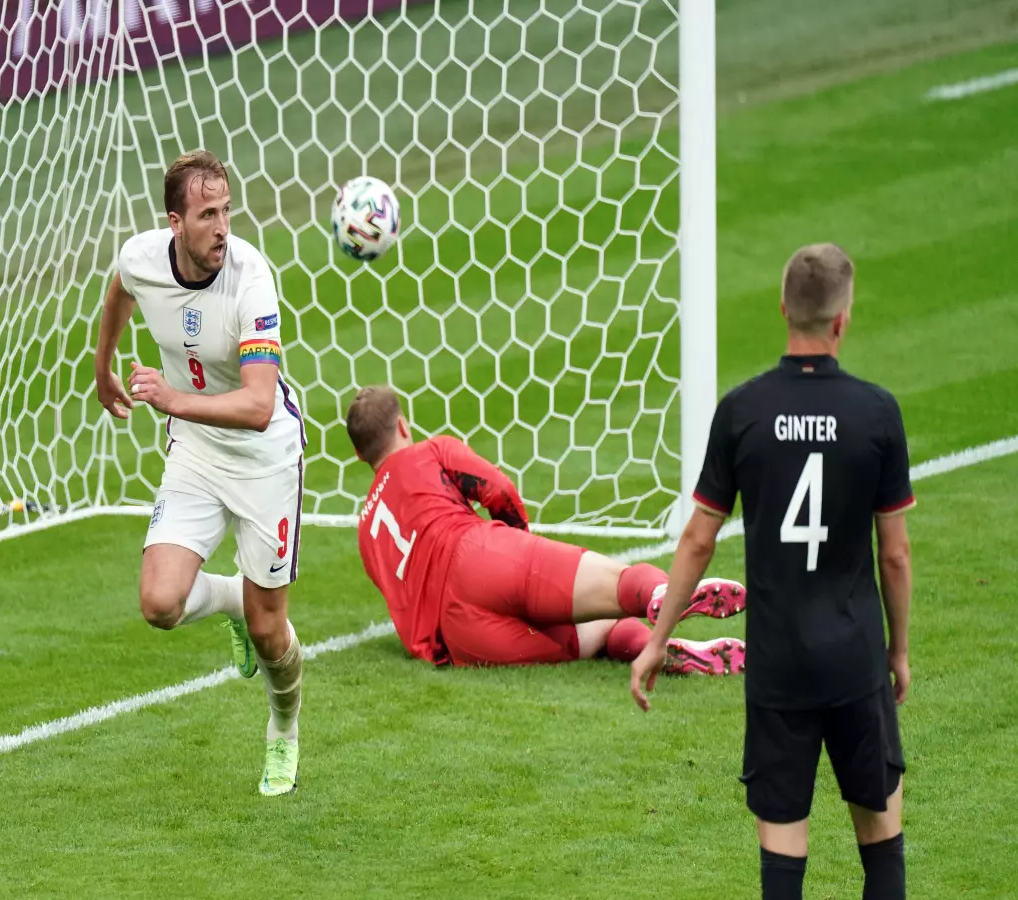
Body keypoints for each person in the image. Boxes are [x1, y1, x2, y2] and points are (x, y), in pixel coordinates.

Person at [630, 243, 914, 900]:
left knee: (784, 852)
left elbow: (698, 540)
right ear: (843, 319)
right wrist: (897, 651)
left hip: (778, 665)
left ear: (783, 306)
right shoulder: (877, 413)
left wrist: (657, 640)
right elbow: (894, 555)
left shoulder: (743, 411)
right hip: (854, 660)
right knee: (880, 839)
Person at [93, 150, 307, 797]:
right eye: (208, 214)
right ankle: (228, 603)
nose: (222, 227)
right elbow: (118, 291)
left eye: (227, 211)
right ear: (175, 222)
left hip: (265, 459)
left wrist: (171, 400)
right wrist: (102, 365)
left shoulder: (251, 279)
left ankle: (283, 731)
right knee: (159, 603)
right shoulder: (142, 258)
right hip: (195, 453)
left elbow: (258, 403)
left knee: (272, 631)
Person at [345, 385, 748, 673]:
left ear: (360, 453)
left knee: (583, 638)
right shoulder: (428, 451)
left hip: (457, 638)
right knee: (614, 587)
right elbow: (497, 489)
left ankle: (657, 650)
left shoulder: (366, 533)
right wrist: (516, 539)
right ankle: (661, 593)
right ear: (402, 426)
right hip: (477, 555)